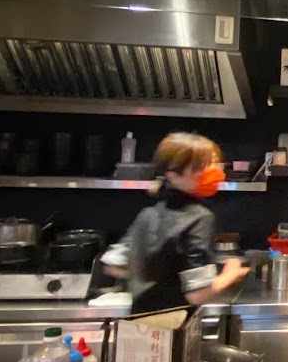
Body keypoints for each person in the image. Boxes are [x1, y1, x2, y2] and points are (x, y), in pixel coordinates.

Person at [105, 132, 250, 313]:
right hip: (171, 322)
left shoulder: (148, 213)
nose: (214, 173)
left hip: (136, 320)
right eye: (201, 166)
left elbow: (114, 266)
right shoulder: (199, 217)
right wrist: (231, 273)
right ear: (173, 174)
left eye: (214, 164)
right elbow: (197, 294)